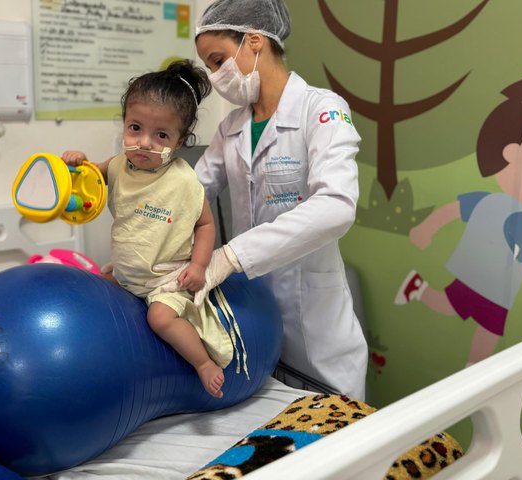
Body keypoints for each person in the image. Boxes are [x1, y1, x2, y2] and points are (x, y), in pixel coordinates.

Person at [155, 0, 368, 399]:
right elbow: (192, 192)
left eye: (219, 61)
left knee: (335, 437)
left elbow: (337, 206)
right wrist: (144, 233)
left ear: (253, 41)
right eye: (210, 67)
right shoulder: (233, 126)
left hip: (317, 330)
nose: (217, 77)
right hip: (252, 317)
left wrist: (230, 256)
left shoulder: (321, 110)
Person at [61, 60, 234, 398]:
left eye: (161, 135)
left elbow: (205, 224)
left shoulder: (183, 180)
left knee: (159, 319)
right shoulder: (117, 166)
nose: (144, 143)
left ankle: (202, 363)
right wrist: (76, 163)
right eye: (135, 128)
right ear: (124, 124)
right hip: (127, 273)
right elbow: (87, 181)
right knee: (92, 289)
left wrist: (198, 267)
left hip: (164, 278)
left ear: (180, 140)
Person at [395, 75, 522, 366]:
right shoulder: (519, 218)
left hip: (486, 283)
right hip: (489, 286)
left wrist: (426, 229)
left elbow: (452, 210)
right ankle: (474, 372)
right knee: (461, 315)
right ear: (512, 155)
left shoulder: (492, 202)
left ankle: (420, 291)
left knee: (458, 312)